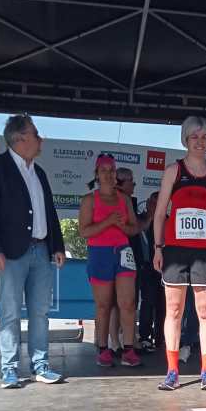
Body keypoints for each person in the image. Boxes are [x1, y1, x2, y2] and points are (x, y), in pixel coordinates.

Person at [0, 114, 66, 389]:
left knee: (40, 312)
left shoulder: (39, 172)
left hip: (41, 249)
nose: (41, 139)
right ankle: (9, 368)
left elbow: (50, 212)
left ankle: (40, 365)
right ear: (20, 138)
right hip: (10, 253)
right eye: (36, 134)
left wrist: (58, 245)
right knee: (10, 312)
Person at [153, 114, 206, 392]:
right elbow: (160, 213)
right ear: (185, 140)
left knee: (205, 311)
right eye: (195, 137)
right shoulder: (174, 171)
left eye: (205, 137)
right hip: (175, 251)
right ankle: (172, 371)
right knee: (174, 310)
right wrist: (158, 247)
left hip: (205, 252)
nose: (200, 142)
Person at [78, 154, 142, 368]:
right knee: (104, 305)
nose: (108, 174)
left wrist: (122, 226)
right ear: (97, 174)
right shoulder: (89, 200)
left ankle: (129, 349)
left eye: (111, 170)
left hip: (123, 251)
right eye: (103, 170)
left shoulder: (124, 199)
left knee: (128, 303)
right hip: (99, 253)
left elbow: (134, 228)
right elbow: (84, 231)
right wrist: (108, 222)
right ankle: (103, 349)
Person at [138, 191, 165, 351]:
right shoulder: (141, 218)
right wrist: (151, 215)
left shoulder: (167, 220)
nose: (155, 205)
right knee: (148, 301)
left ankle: (160, 337)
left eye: (158, 202)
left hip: (164, 267)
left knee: (163, 304)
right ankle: (144, 336)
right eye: (153, 202)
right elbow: (140, 230)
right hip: (147, 267)